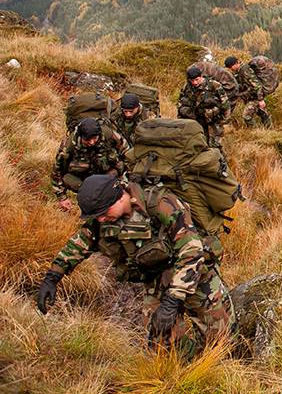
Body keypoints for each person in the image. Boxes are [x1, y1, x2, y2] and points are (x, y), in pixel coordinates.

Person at [36, 174, 233, 356]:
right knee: (161, 345)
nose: (101, 219)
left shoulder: (161, 203)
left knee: (221, 339)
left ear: (119, 197)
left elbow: (191, 250)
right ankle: (189, 368)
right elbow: (80, 243)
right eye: (97, 216)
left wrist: (173, 300)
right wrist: (53, 277)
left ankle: (215, 364)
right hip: (156, 279)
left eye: (104, 213)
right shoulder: (102, 219)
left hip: (194, 273)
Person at [51, 117, 128, 212]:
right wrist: (62, 198)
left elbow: (127, 152)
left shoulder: (109, 134)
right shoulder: (68, 146)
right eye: (87, 139)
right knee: (67, 178)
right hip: (83, 179)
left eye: (94, 138)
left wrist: (126, 178)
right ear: (80, 136)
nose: (92, 142)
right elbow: (57, 171)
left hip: (106, 174)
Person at [177, 66, 230, 151]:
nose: (194, 82)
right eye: (192, 80)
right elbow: (180, 103)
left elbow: (225, 104)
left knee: (215, 147)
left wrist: (224, 121)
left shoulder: (214, 85)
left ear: (201, 76)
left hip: (213, 122)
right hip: (196, 121)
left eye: (197, 79)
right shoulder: (187, 87)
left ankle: (221, 159)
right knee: (197, 145)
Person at [225, 56, 271, 128]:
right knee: (262, 114)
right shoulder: (238, 72)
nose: (230, 69)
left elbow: (257, 85)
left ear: (236, 63)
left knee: (247, 116)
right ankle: (269, 130)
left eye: (231, 67)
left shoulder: (245, 70)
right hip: (251, 97)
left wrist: (261, 100)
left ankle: (255, 131)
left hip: (255, 97)